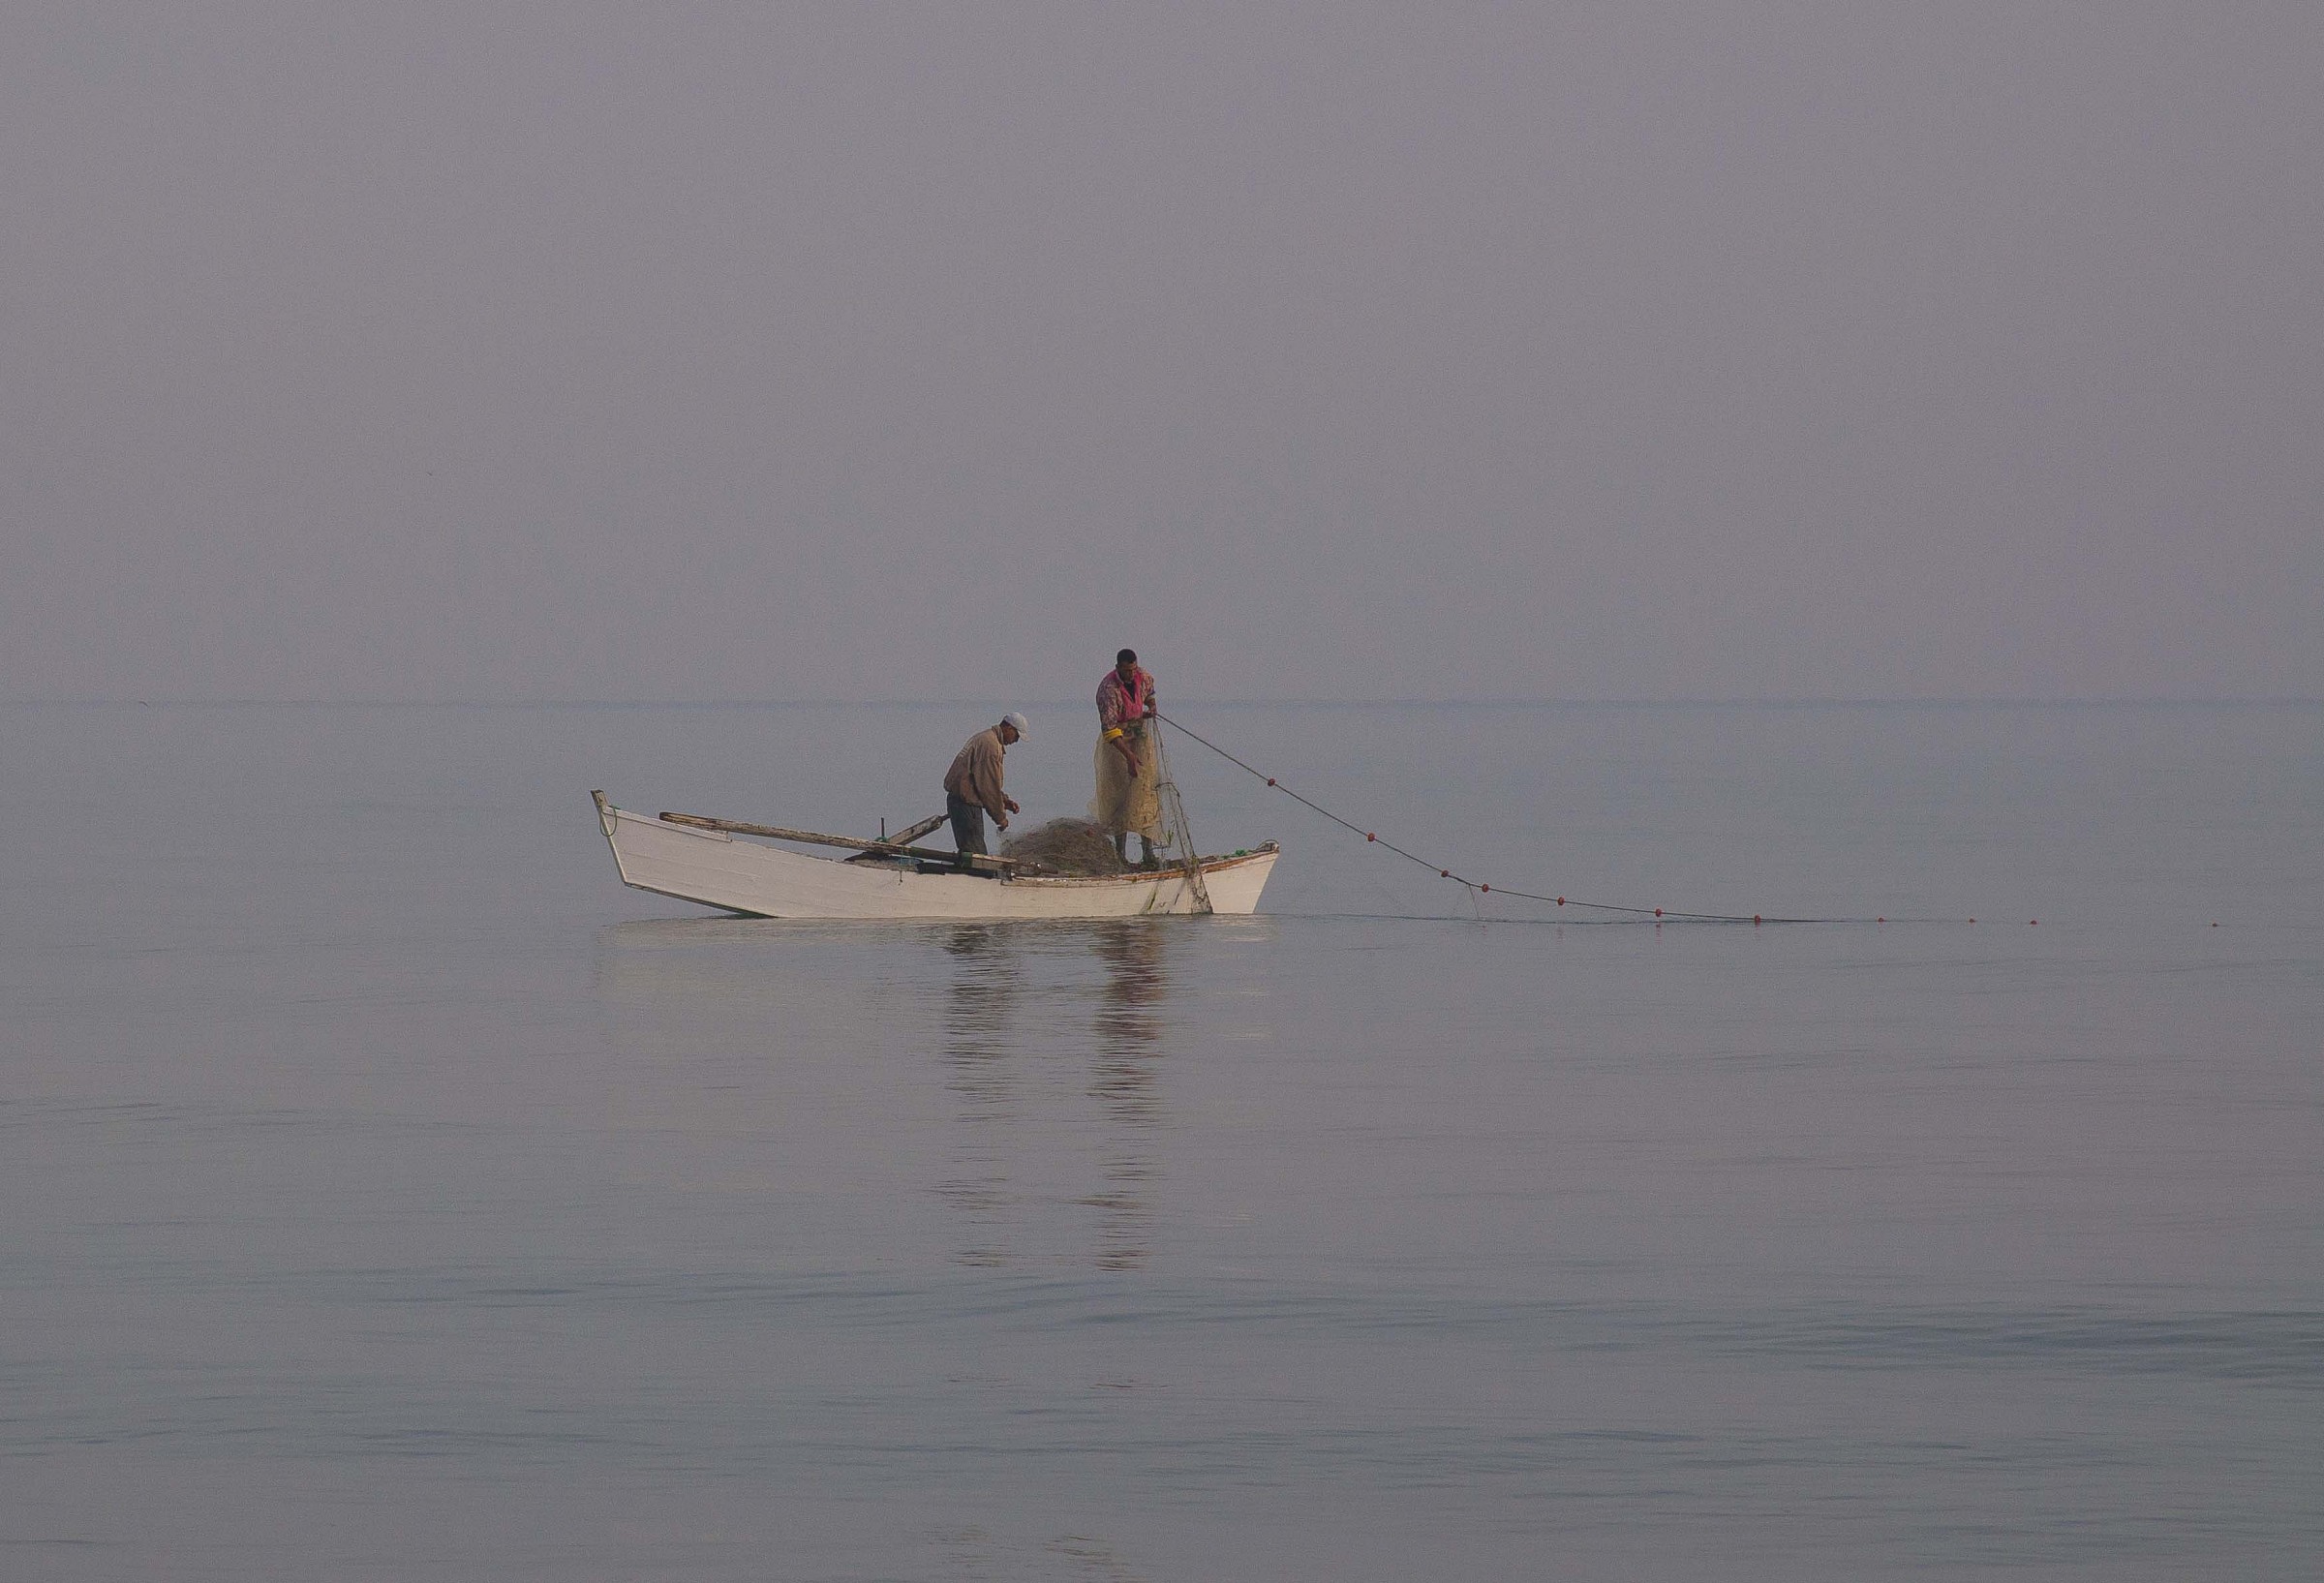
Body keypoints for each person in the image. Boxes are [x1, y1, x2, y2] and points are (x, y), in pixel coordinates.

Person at [1091, 649, 1164, 868]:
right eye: (1127, 671)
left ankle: (1148, 852)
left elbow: (1150, 693)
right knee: (1119, 795)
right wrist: (1129, 757)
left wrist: (1150, 707)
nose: (1131, 674)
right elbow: (1110, 730)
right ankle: (1120, 854)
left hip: (1139, 735)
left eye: (1133, 669)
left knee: (1146, 792)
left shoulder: (1143, 676)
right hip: (1117, 742)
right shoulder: (1107, 690)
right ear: (1118, 668)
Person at [943, 713, 1025, 871]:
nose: (1016, 741)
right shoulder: (991, 746)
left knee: (972, 855)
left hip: (961, 802)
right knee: (977, 859)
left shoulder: (987, 739)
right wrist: (1000, 818)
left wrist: (1004, 800)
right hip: (965, 805)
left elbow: (984, 781)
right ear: (1008, 727)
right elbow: (988, 788)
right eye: (1016, 735)